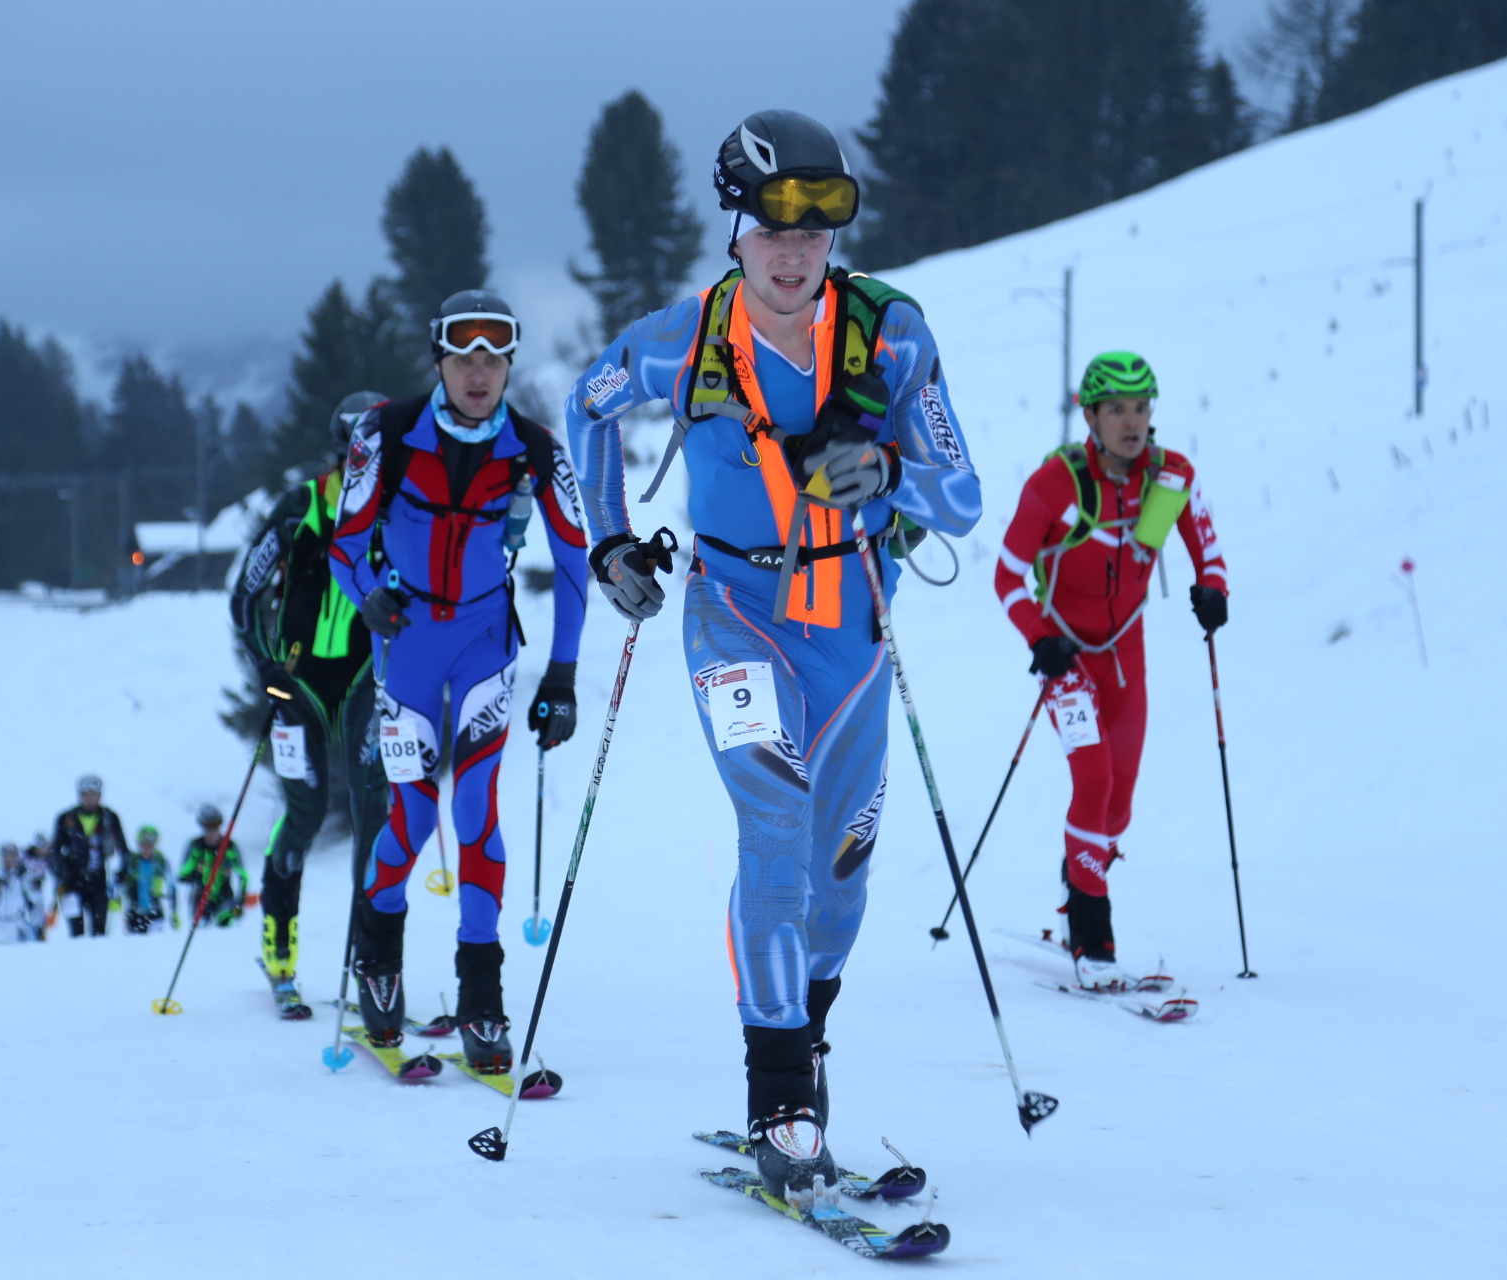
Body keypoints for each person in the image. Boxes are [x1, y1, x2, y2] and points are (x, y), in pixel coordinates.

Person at [563, 110, 980, 1204]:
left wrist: (885, 473)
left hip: (852, 623)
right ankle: (780, 1096)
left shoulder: (891, 333)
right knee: (775, 816)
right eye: (772, 227)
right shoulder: (681, 339)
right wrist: (608, 541)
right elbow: (585, 407)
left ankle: (807, 1042)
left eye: (816, 227)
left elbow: (962, 496)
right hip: (732, 609)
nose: (794, 252)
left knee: (840, 872)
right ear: (736, 229)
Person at [330, 288, 590, 1062]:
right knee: (413, 815)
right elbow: (345, 544)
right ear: (439, 360)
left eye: (494, 359)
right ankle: (378, 962)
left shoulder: (537, 448)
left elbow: (573, 561)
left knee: (476, 807)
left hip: (483, 641)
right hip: (407, 641)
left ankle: (482, 998)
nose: (479, 374)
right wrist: (366, 597)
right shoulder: (384, 433)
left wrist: (563, 674)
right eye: (463, 358)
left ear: (509, 365)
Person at [993, 351, 1228, 990]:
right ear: (1090, 416)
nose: (1132, 421)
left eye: (1142, 408)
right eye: (1117, 409)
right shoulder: (1056, 485)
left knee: (1118, 805)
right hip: (1067, 656)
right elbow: (1007, 576)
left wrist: (1214, 589)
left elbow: (1207, 548)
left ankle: (1079, 870)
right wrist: (1041, 639)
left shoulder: (1171, 477)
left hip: (1125, 652)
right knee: (1093, 779)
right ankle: (1092, 935)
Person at [231, 391, 387, 1003]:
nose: (367, 464)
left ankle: (372, 962)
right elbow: (245, 596)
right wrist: (264, 665)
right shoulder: (300, 508)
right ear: (341, 451)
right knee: (305, 813)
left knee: (374, 814)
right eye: (359, 452)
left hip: (364, 679)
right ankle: (280, 952)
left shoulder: (400, 508)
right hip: (296, 683)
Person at [50, 775, 128, 938]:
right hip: (72, 881)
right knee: (76, 933)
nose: (89, 798)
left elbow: (123, 850)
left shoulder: (109, 817)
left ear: (100, 795)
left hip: (99, 881)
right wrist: (60, 873)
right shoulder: (66, 818)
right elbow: (54, 851)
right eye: (85, 794)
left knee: (99, 932)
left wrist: (121, 875)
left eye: (93, 794)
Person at [178, 804, 247, 927]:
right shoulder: (196, 847)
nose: (212, 832)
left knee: (225, 927)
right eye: (208, 827)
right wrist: (196, 869)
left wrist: (240, 899)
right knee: (201, 929)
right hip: (200, 897)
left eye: (215, 826)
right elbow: (182, 873)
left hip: (224, 895)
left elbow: (243, 875)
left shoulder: (230, 847)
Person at [120, 826, 178, 934]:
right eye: (143, 844)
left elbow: (172, 886)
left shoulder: (162, 862)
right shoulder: (131, 861)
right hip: (134, 913)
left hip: (155, 913)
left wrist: (174, 912)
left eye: (150, 845)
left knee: (155, 940)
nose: (146, 848)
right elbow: (119, 880)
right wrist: (115, 899)